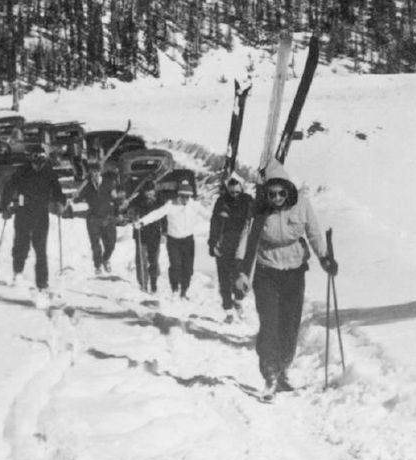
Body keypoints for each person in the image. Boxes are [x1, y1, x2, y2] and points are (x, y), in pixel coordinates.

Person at [234, 162, 337, 395]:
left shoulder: (302, 205)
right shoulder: (259, 209)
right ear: (266, 193)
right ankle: (269, 370)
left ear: (289, 190)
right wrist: (240, 269)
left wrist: (325, 258)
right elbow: (246, 238)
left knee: (289, 325)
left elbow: (313, 232)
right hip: (266, 270)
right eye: (272, 193)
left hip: (294, 270)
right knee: (269, 321)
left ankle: (282, 368)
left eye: (282, 192)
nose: (277, 197)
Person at [0, 149, 66, 294]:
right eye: (35, 163)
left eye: (41, 163)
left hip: (41, 213)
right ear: (31, 160)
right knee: (21, 246)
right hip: (23, 210)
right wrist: (4, 205)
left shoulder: (49, 173)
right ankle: (17, 272)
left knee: (41, 250)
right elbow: (9, 187)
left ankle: (42, 283)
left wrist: (60, 203)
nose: (38, 166)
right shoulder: (22, 171)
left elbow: (58, 192)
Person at [134, 171, 203, 300]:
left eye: (188, 197)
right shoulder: (171, 204)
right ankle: (175, 289)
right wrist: (142, 221)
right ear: (179, 195)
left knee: (188, 268)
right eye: (183, 197)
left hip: (188, 240)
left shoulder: (194, 205)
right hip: (174, 240)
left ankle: (184, 291)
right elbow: (157, 214)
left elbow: (209, 216)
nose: (185, 200)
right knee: (175, 265)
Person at [208, 176, 254, 318]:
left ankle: (238, 300)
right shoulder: (221, 202)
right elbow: (214, 223)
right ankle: (227, 307)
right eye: (231, 192)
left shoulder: (248, 201)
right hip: (224, 244)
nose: (234, 195)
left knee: (240, 275)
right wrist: (212, 243)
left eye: (237, 192)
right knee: (224, 278)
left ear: (242, 189)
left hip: (241, 245)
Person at [72, 159, 121, 275]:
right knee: (95, 245)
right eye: (93, 172)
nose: (95, 174)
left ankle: (106, 259)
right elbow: (77, 199)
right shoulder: (87, 186)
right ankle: (98, 265)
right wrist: (75, 196)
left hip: (108, 218)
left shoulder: (109, 183)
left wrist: (118, 210)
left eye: (97, 172)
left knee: (111, 243)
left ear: (100, 172)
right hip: (93, 219)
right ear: (90, 173)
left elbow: (116, 199)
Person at [122, 177, 168, 295]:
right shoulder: (138, 200)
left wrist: (164, 233)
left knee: (154, 260)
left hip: (155, 234)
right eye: (147, 191)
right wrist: (132, 214)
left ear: (154, 191)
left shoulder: (160, 201)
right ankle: (143, 284)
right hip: (140, 234)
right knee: (141, 260)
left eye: (151, 191)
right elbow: (128, 211)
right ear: (144, 192)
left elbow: (164, 218)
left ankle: (153, 283)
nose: (149, 194)